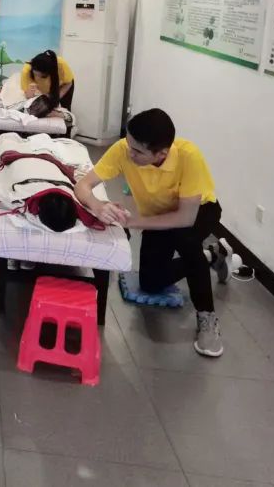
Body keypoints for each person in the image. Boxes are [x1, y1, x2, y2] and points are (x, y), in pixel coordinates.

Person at [74, 108, 228, 358]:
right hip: (159, 215)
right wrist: (98, 205)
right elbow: (82, 185)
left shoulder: (189, 156)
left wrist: (134, 222)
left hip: (199, 211)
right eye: (129, 145)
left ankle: (207, 318)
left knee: (187, 243)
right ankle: (213, 255)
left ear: (161, 153)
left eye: (138, 151)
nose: (129, 153)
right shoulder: (124, 149)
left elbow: (185, 218)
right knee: (151, 282)